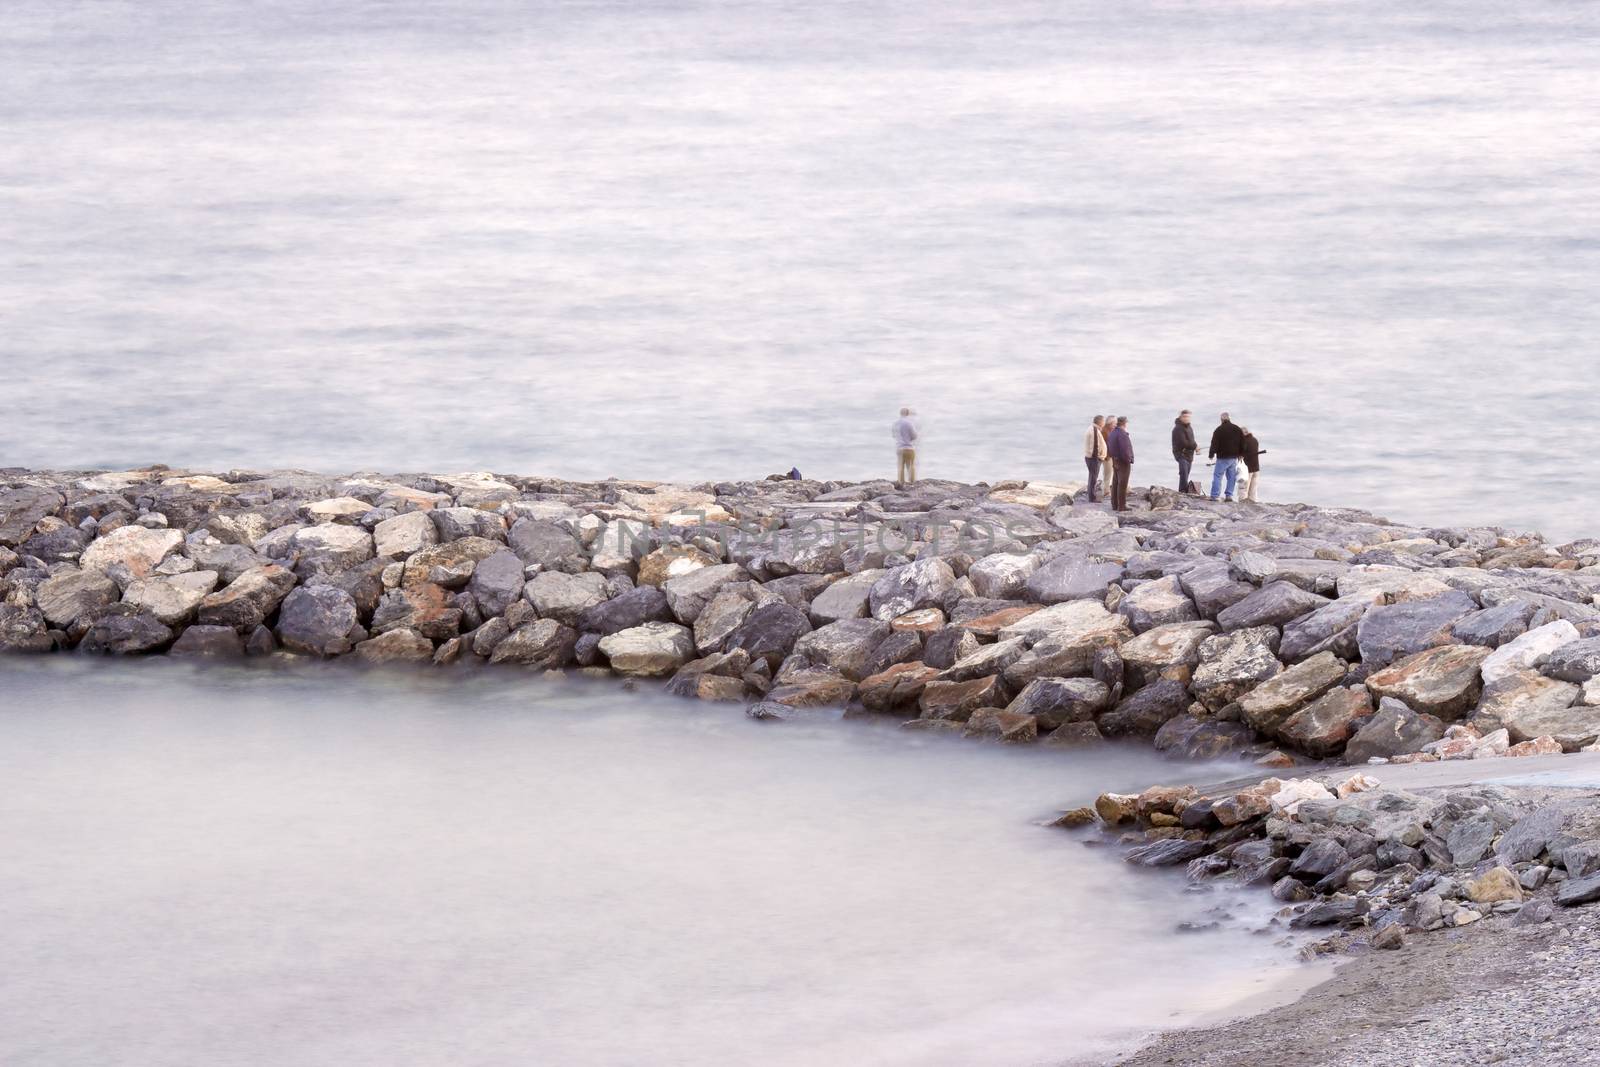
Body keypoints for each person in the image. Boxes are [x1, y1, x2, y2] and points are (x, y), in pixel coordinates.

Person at [1208, 412, 1245, 502]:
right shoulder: (1237, 429)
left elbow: (1214, 443)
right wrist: (1241, 454)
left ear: (1221, 419)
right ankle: (1229, 496)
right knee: (1231, 477)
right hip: (1233, 458)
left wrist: (1211, 454)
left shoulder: (1218, 430)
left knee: (1217, 476)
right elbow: (1243, 443)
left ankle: (1215, 496)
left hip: (1222, 458)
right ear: (1229, 418)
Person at [1107, 416, 1134, 512]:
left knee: (1115, 482)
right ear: (1124, 423)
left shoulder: (1112, 433)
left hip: (1115, 460)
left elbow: (1109, 446)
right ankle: (1122, 506)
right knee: (1122, 484)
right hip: (1123, 462)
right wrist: (1128, 459)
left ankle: (1114, 504)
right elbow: (1125, 449)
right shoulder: (1122, 434)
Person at [1171, 410, 1197, 493]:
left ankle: (1183, 490)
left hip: (1189, 455)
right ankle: (1182, 491)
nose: (1186, 418)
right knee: (1184, 473)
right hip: (1181, 454)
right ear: (1180, 417)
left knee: (1186, 473)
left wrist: (1196, 447)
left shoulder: (1190, 428)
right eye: (1184, 417)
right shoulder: (1178, 428)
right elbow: (1183, 442)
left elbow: (1192, 440)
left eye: (1188, 417)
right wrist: (1194, 446)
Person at [1083, 416, 1108, 502]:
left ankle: (1091, 496)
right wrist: (1097, 458)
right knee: (1093, 478)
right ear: (1100, 422)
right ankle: (1092, 498)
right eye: (1103, 421)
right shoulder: (1094, 430)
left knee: (1092, 477)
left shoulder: (1093, 428)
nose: (1104, 423)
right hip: (1093, 459)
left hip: (1091, 458)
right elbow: (1095, 446)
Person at [892, 408, 918, 485]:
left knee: (900, 467)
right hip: (908, 448)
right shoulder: (909, 423)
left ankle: (901, 483)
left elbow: (894, 435)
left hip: (899, 448)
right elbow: (914, 436)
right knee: (910, 466)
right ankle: (912, 483)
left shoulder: (895, 424)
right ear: (907, 413)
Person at [1240, 428, 1264, 503]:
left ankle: (1242, 504)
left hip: (1247, 469)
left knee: (1243, 489)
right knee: (1253, 490)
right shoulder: (1255, 440)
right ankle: (1253, 504)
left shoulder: (1244, 441)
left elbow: (1240, 453)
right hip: (1256, 468)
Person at [1100, 413, 1117, 500]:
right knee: (1108, 473)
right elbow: (1105, 445)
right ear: (1110, 423)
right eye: (1115, 423)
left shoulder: (1110, 430)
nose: (1116, 425)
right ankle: (1106, 491)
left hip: (1111, 455)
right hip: (1107, 457)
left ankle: (1111, 489)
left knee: (1114, 472)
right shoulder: (1104, 431)